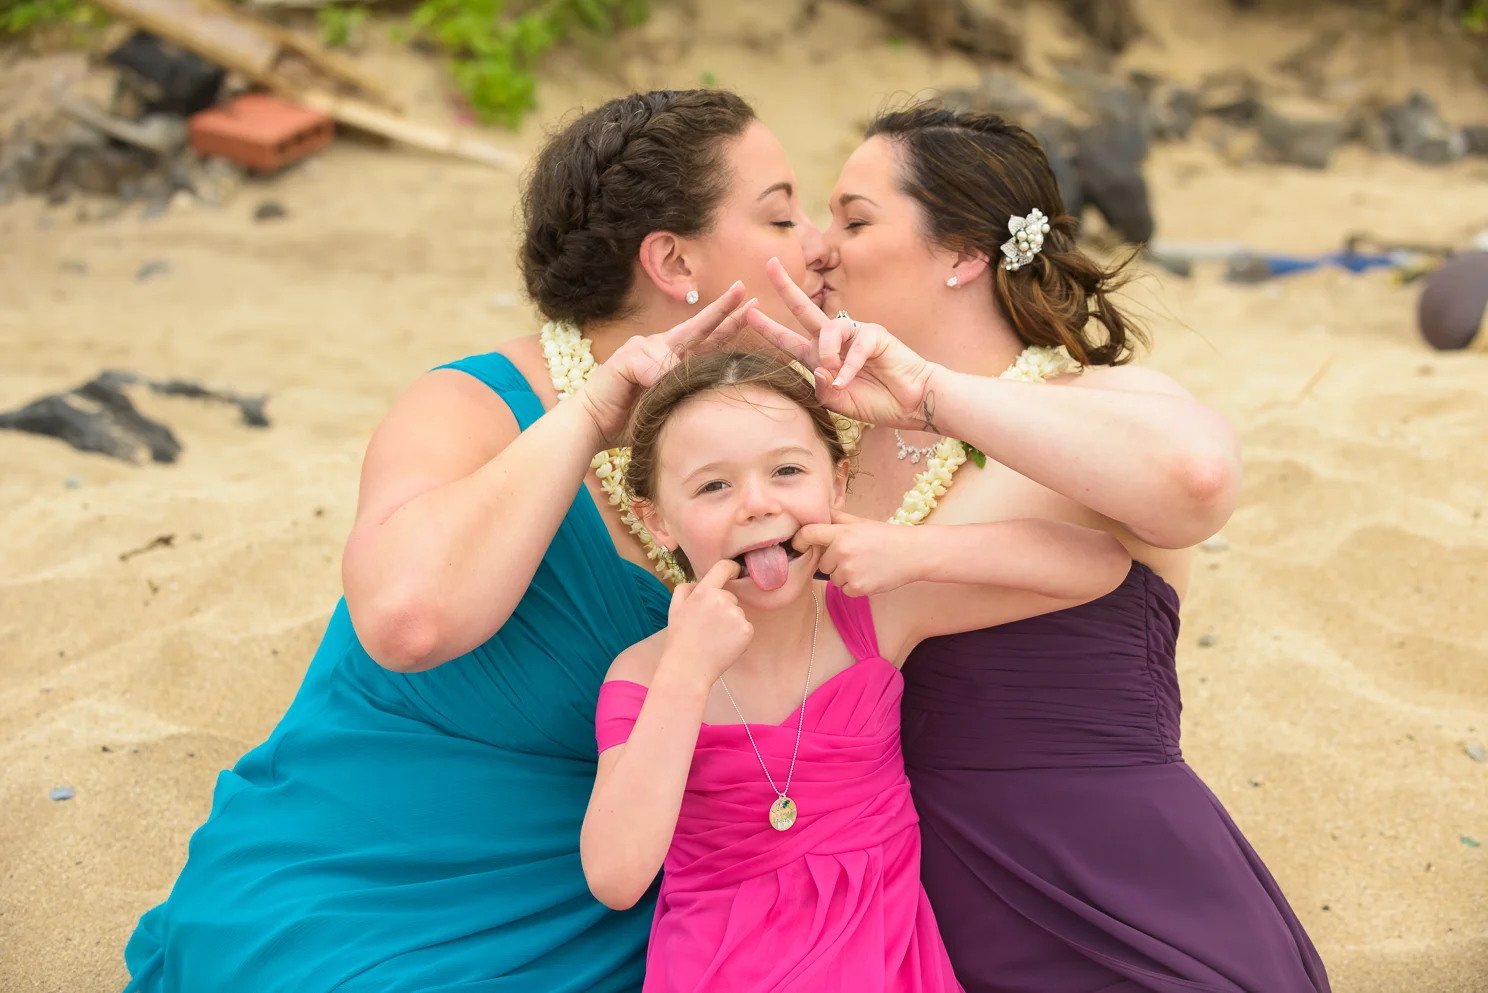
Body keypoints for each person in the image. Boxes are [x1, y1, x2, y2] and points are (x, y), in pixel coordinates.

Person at [121, 90, 828, 993]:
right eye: (780, 212)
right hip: (365, 876)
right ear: (672, 259)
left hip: (613, 904)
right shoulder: (472, 405)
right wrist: (585, 419)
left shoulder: (799, 441)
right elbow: (408, 620)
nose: (815, 242)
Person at [745, 102, 1331, 992]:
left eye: (855, 219)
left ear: (965, 254)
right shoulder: (820, 444)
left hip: (1110, 890)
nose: (821, 246)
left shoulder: (1099, 401)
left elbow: (1198, 483)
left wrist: (928, 392)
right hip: (895, 909)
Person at [579, 351, 1131, 992]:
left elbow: (1099, 565)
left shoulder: (872, 615)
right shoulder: (648, 674)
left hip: (885, 966)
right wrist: (688, 671)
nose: (757, 504)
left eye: (786, 470)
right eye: (713, 486)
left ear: (837, 483)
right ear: (656, 519)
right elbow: (616, 877)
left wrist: (919, 550)